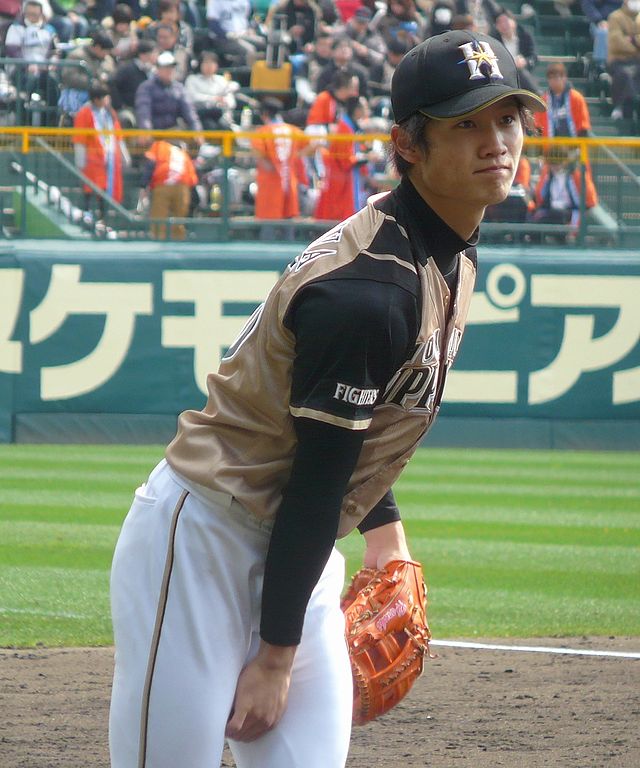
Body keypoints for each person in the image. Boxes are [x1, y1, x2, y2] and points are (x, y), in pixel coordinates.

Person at [108, 29, 545, 768]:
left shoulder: (443, 246)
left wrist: (387, 533)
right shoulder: (370, 292)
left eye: (507, 118)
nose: (495, 141)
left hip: (294, 556)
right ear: (408, 145)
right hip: (204, 542)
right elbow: (317, 476)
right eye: (465, 123)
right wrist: (276, 657)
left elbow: (363, 419)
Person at [72, 82, 129, 218]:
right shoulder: (84, 113)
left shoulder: (110, 113)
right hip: (92, 158)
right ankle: (87, 214)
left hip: (109, 158)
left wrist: (124, 155)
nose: (107, 100)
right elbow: (80, 139)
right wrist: (80, 161)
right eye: (104, 97)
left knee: (105, 189)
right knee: (89, 187)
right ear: (96, 99)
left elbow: (117, 135)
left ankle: (103, 218)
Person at [314, 94, 375, 220]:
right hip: (341, 183)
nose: (367, 110)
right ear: (357, 110)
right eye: (364, 107)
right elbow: (346, 161)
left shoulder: (350, 127)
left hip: (347, 181)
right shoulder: (344, 129)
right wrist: (368, 157)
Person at [251, 97, 310, 219]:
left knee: (268, 225)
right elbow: (313, 145)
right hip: (290, 183)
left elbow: (259, 156)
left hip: (270, 185)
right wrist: (294, 158)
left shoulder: (262, 132)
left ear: (265, 114)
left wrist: (272, 167)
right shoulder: (292, 130)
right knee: (288, 225)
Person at [529, 147, 598, 239]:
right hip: (552, 210)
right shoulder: (548, 176)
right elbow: (540, 197)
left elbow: (590, 200)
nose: (555, 166)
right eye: (552, 164)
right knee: (535, 222)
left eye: (557, 163)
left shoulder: (575, 175)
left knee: (564, 224)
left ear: (564, 162)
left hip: (570, 211)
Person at [139, 138, 198, 239]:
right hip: (183, 187)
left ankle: (157, 243)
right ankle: (178, 244)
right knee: (179, 221)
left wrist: (143, 185)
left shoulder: (159, 145)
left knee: (158, 220)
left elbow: (151, 164)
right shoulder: (184, 154)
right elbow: (192, 180)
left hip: (162, 185)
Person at [134, 50, 202, 133]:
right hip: (153, 132)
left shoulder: (179, 88)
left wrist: (196, 130)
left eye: (171, 67)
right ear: (158, 69)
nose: (169, 71)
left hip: (173, 131)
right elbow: (143, 110)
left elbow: (189, 111)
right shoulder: (146, 87)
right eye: (165, 68)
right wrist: (146, 130)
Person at [534, 61, 593, 137]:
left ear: (564, 78)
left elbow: (583, 126)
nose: (555, 80)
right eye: (551, 77)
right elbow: (538, 128)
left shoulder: (577, 98)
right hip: (550, 146)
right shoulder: (542, 101)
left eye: (558, 77)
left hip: (575, 146)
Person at [184, 50, 239, 130]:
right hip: (200, 115)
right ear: (200, 64)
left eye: (212, 63)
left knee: (225, 126)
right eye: (206, 63)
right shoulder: (192, 79)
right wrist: (213, 98)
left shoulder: (221, 80)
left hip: (220, 114)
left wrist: (224, 101)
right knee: (210, 126)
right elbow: (192, 97)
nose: (209, 66)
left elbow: (231, 102)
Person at [109, 38, 157, 126]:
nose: (156, 56)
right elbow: (112, 83)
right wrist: (119, 105)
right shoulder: (128, 68)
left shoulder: (153, 71)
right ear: (143, 55)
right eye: (153, 53)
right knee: (126, 118)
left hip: (148, 108)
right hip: (130, 108)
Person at [491, 7, 539, 95]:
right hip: (502, 76)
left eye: (505, 21)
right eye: (499, 22)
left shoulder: (525, 35)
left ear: (513, 22)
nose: (503, 25)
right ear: (496, 27)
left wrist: (525, 61)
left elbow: (533, 57)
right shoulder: (494, 40)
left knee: (520, 72)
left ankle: (536, 96)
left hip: (523, 75)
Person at [606, 0, 640, 120]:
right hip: (617, 60)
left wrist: (632, 39)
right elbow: (617, 43)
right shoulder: (615, 17)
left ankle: (622, 107)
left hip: (637, 61)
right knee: (625, 75)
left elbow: (626, 41)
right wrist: (636, 46)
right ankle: (624, 108)